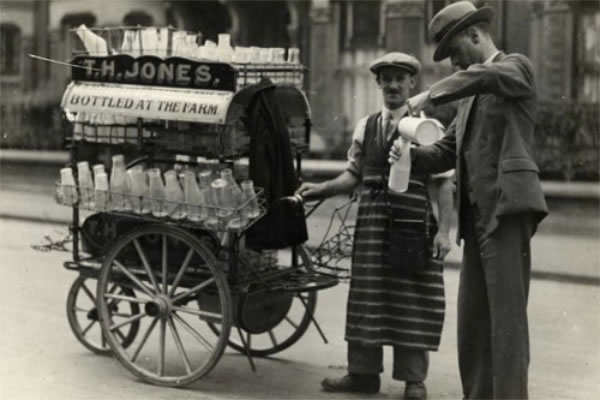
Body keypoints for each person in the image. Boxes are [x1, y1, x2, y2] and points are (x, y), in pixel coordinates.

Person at [389, 2, 548, 399]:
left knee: (506, 326)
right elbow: (445, 151)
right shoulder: (471, 93)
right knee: (473, 324)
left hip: (507, 210)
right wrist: (410, 156)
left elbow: (487, 76)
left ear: (475, 34)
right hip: (475, 217)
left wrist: (431, 93)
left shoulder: (516, 68)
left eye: (454, 51)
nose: (453, 63)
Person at [296, 52, 454, 400]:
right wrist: (320, 189)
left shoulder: (428, 128)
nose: (393, 85)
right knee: (368, 295)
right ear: (378, 83)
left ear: (413, 83)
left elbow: (443, 183)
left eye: (401, 78)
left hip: (412, 221)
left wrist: (444, 231)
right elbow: (353, 174)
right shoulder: (366, 126)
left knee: (411, 296)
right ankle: (363, 374)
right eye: (387, 78)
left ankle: (414, 380)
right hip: (371, 222)